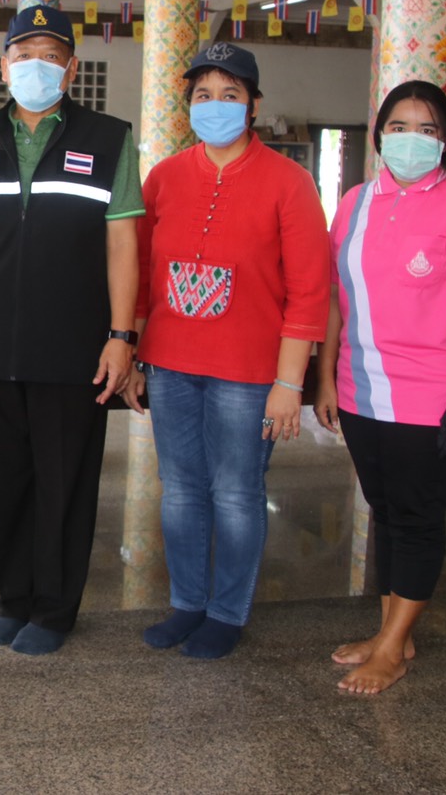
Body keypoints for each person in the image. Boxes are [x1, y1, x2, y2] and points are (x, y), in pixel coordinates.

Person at [0, 4, 143, 657]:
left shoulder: (108, 139)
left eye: (50, 56)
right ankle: (14, 600)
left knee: (65, 483)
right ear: (4, 66)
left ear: (71, 68)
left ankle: (54, 610)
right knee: (4, 481)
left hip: (73, 343)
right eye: (23, 55)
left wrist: (121, 337)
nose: (36, 66)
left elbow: (123, 245)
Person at [121, 42, 330, 661]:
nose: (215, 105)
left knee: (236, 492)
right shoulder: (165, 176)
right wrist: (136, 353)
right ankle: (187, 602)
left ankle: (226, 612)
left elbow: (309, 290)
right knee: (180, 489)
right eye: (203, 95)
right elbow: (142, 272)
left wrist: (289, 382)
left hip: (249, 371)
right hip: (171, 363)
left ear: (253, 105)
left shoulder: (290, 183)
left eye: (230, 95)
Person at [315, 80, 446, 695]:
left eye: (427, 130)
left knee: (418, 515)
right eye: (399, 127)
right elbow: (335, 297)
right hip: (360, 390)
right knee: (386, 512)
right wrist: (325, 375)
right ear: (379, 136)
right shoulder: (354, 202)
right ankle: (391, 634)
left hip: (431, 396)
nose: (411, 140)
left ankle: (393, 649)